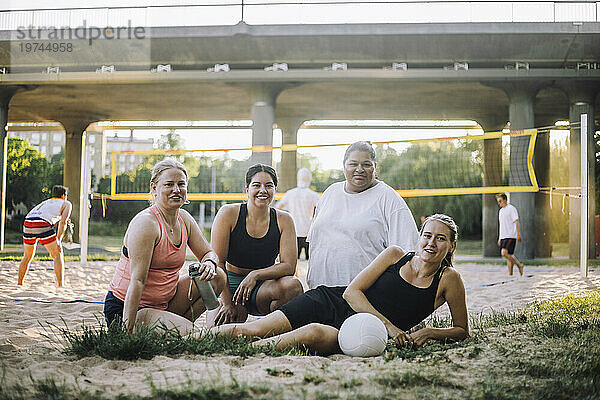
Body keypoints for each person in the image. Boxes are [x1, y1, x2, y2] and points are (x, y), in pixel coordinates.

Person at [209, 214, 469, 355]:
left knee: (312, 333)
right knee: (255, 328)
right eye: (427, 235)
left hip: (359, 330)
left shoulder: (449, 280)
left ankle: (245, 352)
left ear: (452, 246)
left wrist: (430, 333)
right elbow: (351, 292)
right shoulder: (396, 254)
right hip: (330, 302)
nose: (431, 243)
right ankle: (192, 340)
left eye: (441, 239)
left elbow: (461, 329)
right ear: (419, 237)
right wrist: (389, 326)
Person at [104, 158, 227, 334]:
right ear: (154, 188)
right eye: (169, 184)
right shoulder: (146, 223)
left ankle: (173, 326)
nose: (176, 190)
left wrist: (209, 263)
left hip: (164, 303)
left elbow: (209, 252)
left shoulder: (184, 218)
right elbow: (137, 281)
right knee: (188, 331)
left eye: (181, 184)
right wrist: (126, 333)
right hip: (128, 309)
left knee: (218, 277)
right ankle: (168, 329)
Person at [306, 141, 419, 289]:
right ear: (344, 165)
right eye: (353, 164)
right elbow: (315, 239)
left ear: (375, 167)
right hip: (320, 291)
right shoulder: (330, 192)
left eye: (366, 164)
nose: (359, 169)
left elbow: (407, 252)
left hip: (363, 295)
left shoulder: (389, 198)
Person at [209, 163, 304, 326]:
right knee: (218, 331)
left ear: (275, 190)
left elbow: (289, 266)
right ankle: (236, 308)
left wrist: (255, 275)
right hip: (230, 285)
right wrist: (227, 303)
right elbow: (218, 263)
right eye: (256, 185)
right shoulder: (228, 213)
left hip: (263, 287)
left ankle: (270, 326)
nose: (263, 190)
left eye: (269, 186)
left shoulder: (284, 220)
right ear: (246, 190)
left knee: (293, 285)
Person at [18, 185, 72, 287]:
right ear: (64, 196)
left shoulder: (46, 202)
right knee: (57, 254)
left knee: (27, 256)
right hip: (42, 223)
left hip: (28, 222)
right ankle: (60, 285)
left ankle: (20, 283)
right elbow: (63, 223)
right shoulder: (66, 203)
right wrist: (58, 240)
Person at [276, 168, 320, 260]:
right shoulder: (313, 195)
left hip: (293, 231)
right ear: (309, 178)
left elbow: (278, 207)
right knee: (310, 260)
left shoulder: (290, 193)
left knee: (293, 260)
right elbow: (323, 209)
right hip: (309, 232)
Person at [496, 193, 524, 276]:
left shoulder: (511, 209)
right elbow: (501, 225)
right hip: (503, 236)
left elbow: (516, 222)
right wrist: (500, 238)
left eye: (500, 201)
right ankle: (510, 274)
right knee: (509, 256)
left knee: (504, 253)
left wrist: (518, 234)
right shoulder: (501, 211)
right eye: (498, 201)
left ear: (505, 200)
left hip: (511, 235)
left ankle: (519, 265)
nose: (499, 203)